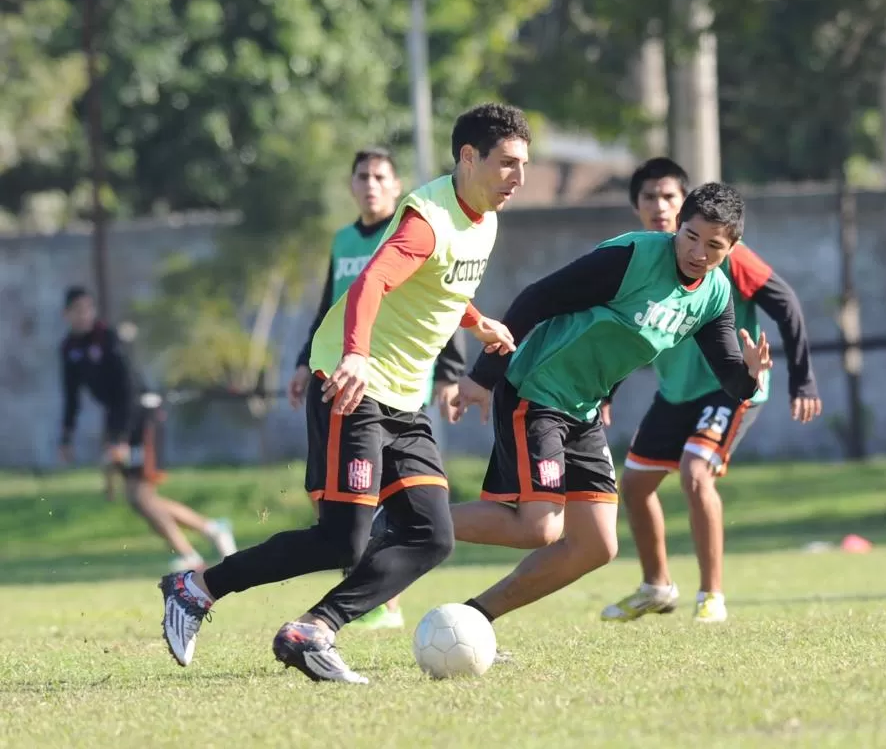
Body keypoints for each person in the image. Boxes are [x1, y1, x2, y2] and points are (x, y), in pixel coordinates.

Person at [159, 102, 532, 684]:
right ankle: (196, 587)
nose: (519, 178)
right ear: (468, 156)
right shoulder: (426, 217)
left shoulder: (484, 217)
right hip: (351, 383)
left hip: (403, 398)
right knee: (342, 540)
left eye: (523, 165)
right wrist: (356, 354)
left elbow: (437, 284)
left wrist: (476, 322)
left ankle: (315, 629)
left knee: (432, 536)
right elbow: (373, 281)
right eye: (508, 163)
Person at [448, 182, 772, 630]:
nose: (698, 252)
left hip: (582, 408)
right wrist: (483, 376)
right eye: (691, 237)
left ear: (731, 248)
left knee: (596, 545)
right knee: (538, 528)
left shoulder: (714, 294)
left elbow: (729, 376)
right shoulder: (632, 258)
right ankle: (411, 518)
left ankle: (472, 620)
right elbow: (537, 298)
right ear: (678, 227)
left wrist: (751, 375)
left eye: (714, 245)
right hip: (538, 389)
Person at [599, 158, 822, 623]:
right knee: (635, 485)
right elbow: (628, 332)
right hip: (676, 391)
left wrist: (802, 378)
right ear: (637, 207)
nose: (659, 206)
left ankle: (712, 597)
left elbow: (786, 303)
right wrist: (607, 390)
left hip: (730, 388)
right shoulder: (644, 257)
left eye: (668, 196)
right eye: (649, 197)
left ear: (686, 205)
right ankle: (656, 587)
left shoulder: (722, 252)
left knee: (694, 473)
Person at [286, 147, 468, 631]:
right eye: (362, 176)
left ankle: (382, 601)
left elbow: (441, 304)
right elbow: (333, 304)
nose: (370, 184)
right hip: (347, 372)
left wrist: (451, 373)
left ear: (395, 185)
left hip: (398, 379)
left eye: (380, 176)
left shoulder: (411, 229)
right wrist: (305, 360)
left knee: (388, 498)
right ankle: (368, 595)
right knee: (342, 501)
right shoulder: (344, 239)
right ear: (351, 185)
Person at [58, 286, 237, 571]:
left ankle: (190, 555)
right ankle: (212, 529)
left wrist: (119, 439)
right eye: (77, 310)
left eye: (88, 308)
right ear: (66, 314)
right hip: (119, 421)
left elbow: (128, 390)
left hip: (142, 416)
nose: (84, 315)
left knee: (140, 496)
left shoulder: (109, 338)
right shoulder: (69, 349)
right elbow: (71, 395)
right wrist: (66, 436)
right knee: (141, 498)